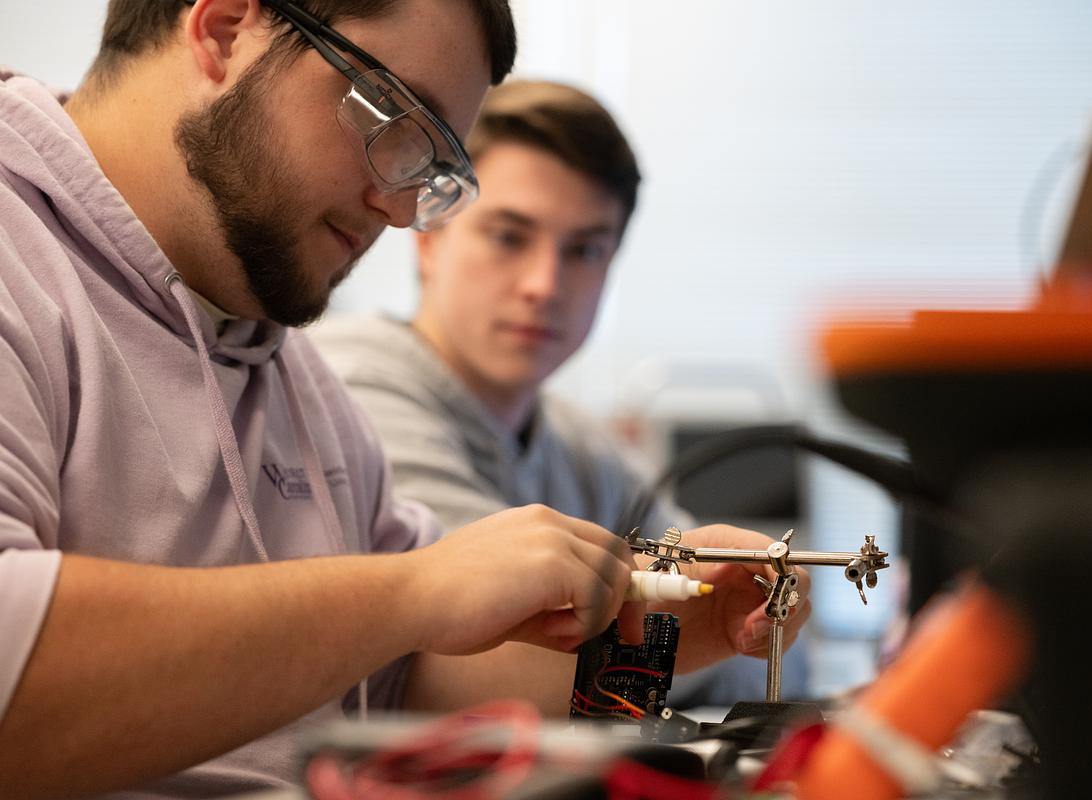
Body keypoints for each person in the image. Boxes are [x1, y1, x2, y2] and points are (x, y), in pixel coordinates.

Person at [0, 2, 809, 798]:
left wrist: (679, 631)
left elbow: (412, 679)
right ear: (224, 29)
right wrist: (414, 591)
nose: (395, 208)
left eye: (427, 167)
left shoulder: (298, 385)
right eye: (387, 112)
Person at [312, 79, 811, 706]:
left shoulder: (585, 454)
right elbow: (486, 660)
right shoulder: (350, 388)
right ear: (429, 238)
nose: (545, 284)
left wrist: (739, 626)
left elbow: (758, 648)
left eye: (584, 250)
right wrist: (690, 643)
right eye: (509, 236)